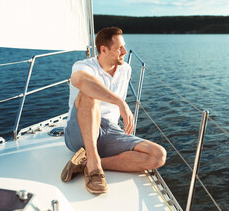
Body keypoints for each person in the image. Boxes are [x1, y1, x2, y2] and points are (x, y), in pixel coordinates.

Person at [60, 27, 166, 194]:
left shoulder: (125, 69)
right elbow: (79, 80)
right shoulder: (84, 66)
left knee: (158, 155)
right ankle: (93, 167)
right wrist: (120, 102)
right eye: (119, 48)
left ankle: (88, 162)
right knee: (90, 92)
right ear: (103, 49)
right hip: (80, 131)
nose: (124, 51)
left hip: (109, 130)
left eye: (123, 46)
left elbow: (157, 157)